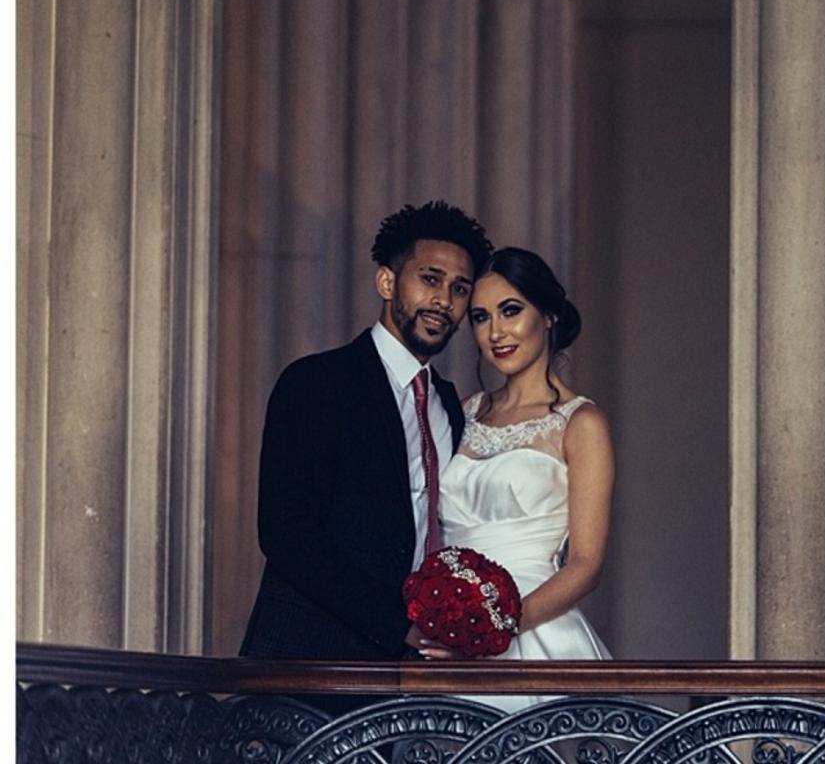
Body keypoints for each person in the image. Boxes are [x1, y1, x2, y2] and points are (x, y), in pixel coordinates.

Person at [240, 201, 494, 660]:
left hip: (405, 673)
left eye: (460, 289)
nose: (444, 301)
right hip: (310, 662)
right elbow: (285, 532)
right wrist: (397, 624)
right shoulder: (317, 382)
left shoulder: (449, 408)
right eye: (430, 279)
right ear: (387, 281)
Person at [436, 247, 613, 706]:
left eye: (510, 311)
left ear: (549, 314)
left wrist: (497, 628)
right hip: (449, 641)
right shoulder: (462, 412)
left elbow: (586, 565)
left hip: (536, 631)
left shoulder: (581, 423)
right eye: (480, 317)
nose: (496, 332)